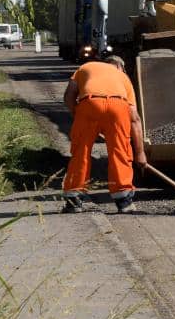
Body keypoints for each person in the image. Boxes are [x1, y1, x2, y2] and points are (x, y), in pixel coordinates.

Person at [62, 54, 147, 213]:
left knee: (81, 152)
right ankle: (124, 202)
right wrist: (140, 153)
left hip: (89, 103)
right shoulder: (124, 78)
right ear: (120, 67)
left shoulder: (86, 67)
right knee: (120, 151)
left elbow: (68, 96)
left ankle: (74, 199)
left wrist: (79, 114)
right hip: (118, 106)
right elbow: (134, 119)